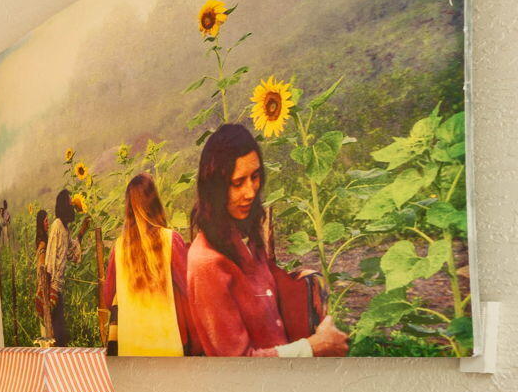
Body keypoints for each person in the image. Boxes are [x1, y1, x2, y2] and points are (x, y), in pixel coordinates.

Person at [186, 123, 348, 357]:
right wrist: (313, 347)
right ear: (215, 188)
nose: (251, 192)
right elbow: (236, 363)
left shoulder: (245, 237)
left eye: (255, 176)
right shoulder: (206, 263)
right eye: (237, 183)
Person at [99, 172, 191, 355]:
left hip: (130, 351)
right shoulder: (171, 240)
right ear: (154, 202)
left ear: (129, 208)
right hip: (168, 349)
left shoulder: (119, 248)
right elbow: (191, 290)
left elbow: (108, 297)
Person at [41, 190, 80, 344]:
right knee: (57, 331)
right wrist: (49, 288)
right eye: (70, 203)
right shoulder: (57, 225)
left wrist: (82, 232)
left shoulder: (65, 228)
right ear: (64, 205)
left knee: (59, 329)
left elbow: (71, 254)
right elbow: (50, 257)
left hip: (59, 286)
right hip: (53, 286)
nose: (72, 205)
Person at [33, 210, 54, 341]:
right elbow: (41, 267)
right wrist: (42, 286)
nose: (48, 223)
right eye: (46, 221)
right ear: (41, 223)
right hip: (44, 285)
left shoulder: (43, 240)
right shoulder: (43, 243)